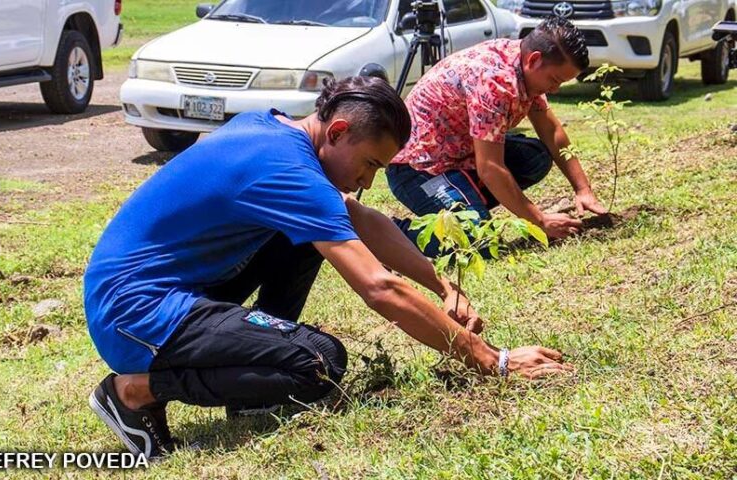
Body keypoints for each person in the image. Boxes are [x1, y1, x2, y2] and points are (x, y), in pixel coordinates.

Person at [84, 76, 571, 459]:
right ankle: (133, 392)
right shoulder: (287, 171)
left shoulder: (276, 132)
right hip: (135, 315)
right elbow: (379, 288)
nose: (369, 179)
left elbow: (361, 218)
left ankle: (253, 386)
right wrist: (492, 360)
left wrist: (441, 283)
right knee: (319, 363)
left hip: (170, 291)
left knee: (301, 241)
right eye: (370, 164)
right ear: (338, 131)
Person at [386, 16, 607, 256]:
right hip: (418, 169)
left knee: (535, 157)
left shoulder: (520, 62)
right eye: (554, 80)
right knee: (477, 243)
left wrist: (583, 189)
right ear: (534, 60)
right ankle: (386, 233)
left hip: (460, 155)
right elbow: (490, 168)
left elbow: (552, 132)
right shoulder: (494, 80)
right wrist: (540, 221)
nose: (555, 89)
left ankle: (467, 205)